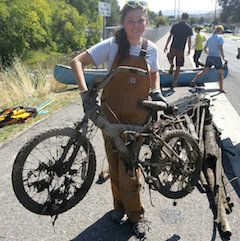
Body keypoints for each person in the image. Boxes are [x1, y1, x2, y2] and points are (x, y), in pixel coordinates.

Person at [71, 1, 166, 238]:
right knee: (114, 163)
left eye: (140, 20)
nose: (136, 26)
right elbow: (77, 62)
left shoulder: (151, 49)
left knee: (128, 167)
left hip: (137, 117)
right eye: (130, 21)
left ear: (146, 22)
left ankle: (136, 215)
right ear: (123, 23)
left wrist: (157, 92)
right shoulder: (112, 45)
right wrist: (84, 94)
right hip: (109, 115)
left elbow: (154, 74)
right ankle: (119, 207)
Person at [190, 25, 228, 92]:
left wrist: (209, 53)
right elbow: (220, 48)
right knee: (220, 74)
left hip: (209, 57)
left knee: (204, 71)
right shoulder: (220, 38)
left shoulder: (210, 38)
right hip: (217, 58)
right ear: (220, 30)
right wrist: (224, 58)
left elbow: (205, 49)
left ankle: (193, 81)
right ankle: (221, 89)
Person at [164, 12, 193, 87]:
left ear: (181, 17)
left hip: (173, 47)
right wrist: (189, 49)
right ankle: (174, 82)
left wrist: (166, 45)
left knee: (169, 57)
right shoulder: (188, 27)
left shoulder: (175, 26)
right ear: (187, 18)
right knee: (178, 66)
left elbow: (170, 36)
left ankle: (171, 64)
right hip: (181, 49)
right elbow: (189, 40)